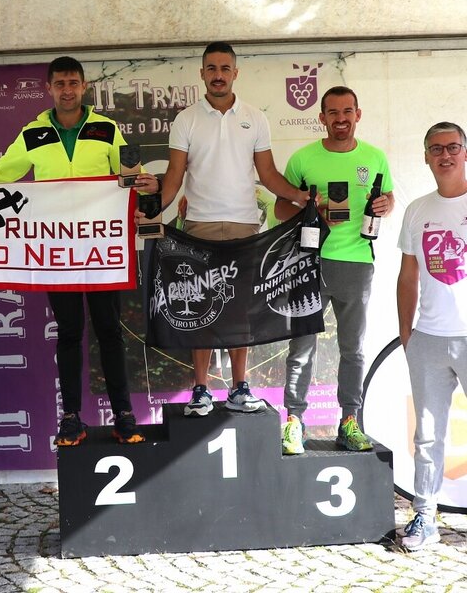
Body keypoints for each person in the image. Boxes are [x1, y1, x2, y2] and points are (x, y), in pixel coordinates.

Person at [0, 56, 159, 445]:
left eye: (73, 83)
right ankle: (71, 418)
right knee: (69, 333)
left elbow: (127, 176)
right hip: (57, 252)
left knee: (109, 331)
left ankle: (123, 415)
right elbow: (0, 172)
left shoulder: (106, 129)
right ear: (49, 88)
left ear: (84, 86)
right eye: (60, 84)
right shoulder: (34, 133)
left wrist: (145, 183)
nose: (67, 90)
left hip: (100, 248)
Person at [153, 41, 309, 417]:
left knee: (239, 311)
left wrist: (301, 197)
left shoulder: (255, 118)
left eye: (225, 68)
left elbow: (268, 174)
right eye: (212, 68)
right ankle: (201, 390)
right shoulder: (186, 119)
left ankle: (240, 387)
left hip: (244, 226)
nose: (218, 75)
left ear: (235, 73)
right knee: (200, 308)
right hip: (199, 226)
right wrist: (152, 210)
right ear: (202, 73)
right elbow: (174, 176)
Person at [275, 86, 394, 454]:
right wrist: (312, 210)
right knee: (301, 346)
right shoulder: (302, 159)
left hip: (357, 263)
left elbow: (387, 199)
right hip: (309, 262)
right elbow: (279, 210)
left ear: (358, 114)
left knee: (353, 348)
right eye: (333, 112)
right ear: (321, 117)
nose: (340, 119)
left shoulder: (375, 157)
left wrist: (387, 204)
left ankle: (350, 422)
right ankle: (294, 421)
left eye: (347, 111)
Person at [397, 121, 467, 551]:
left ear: (465, 152)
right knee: (427, 434)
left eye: (453, 147)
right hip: (429, 338)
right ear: (425, 156)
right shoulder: (417, 210)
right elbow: (408, 276)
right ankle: (425, 515)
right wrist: (407, 334)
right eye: (436, 148)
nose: (445, 155)